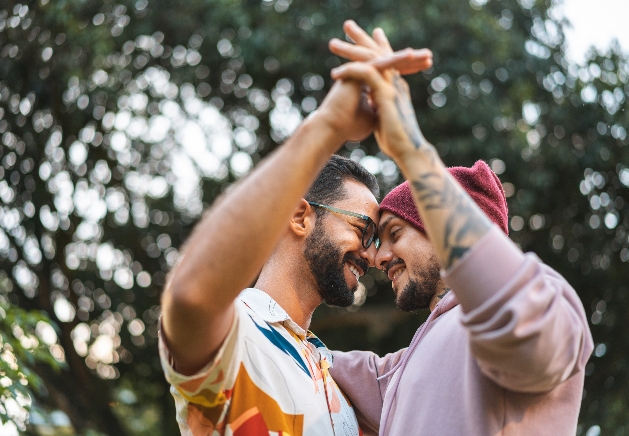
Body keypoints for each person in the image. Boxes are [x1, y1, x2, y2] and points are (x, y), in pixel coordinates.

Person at [327, 21, 594, 436]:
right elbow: (340, 369)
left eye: (395, 234)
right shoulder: (406, 368)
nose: (377, 257)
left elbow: (515, 312)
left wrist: (411, 151)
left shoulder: (540, 311)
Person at [158, 45, 433, 434]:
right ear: (300, 216)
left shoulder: (337, 379)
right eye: (363, 231)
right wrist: (327, 127)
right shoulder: (239, 334)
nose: (374, 257)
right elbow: (190, 296)